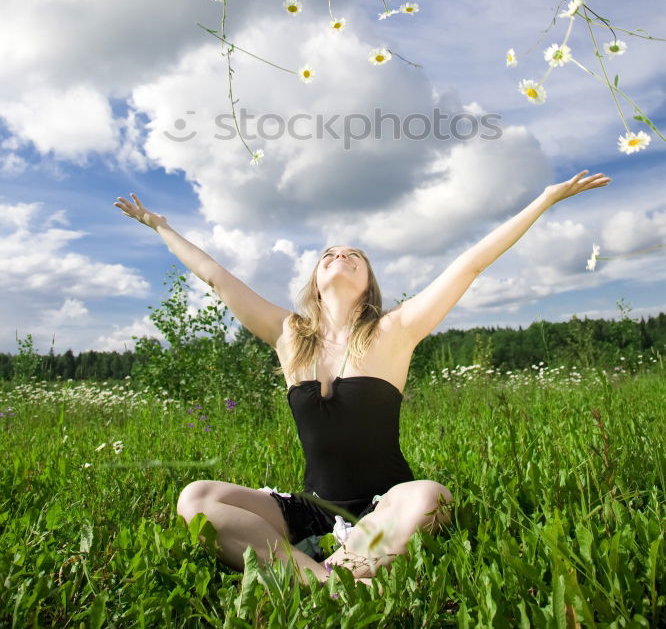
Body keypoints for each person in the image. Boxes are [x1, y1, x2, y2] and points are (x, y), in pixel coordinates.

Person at [114, 169, 609, 584]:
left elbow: (470, 264)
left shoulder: (394, 330)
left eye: (354, 255)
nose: (340, 257)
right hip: (308, 510)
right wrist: (160, 226)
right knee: (197, 498)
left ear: (368, 281)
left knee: (431, 497)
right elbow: (216, 277)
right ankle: (330, 579)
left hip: (383, 506)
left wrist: (545, 200)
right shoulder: (288, 334)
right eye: (328, 254)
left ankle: (316, 574)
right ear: (315, 279)